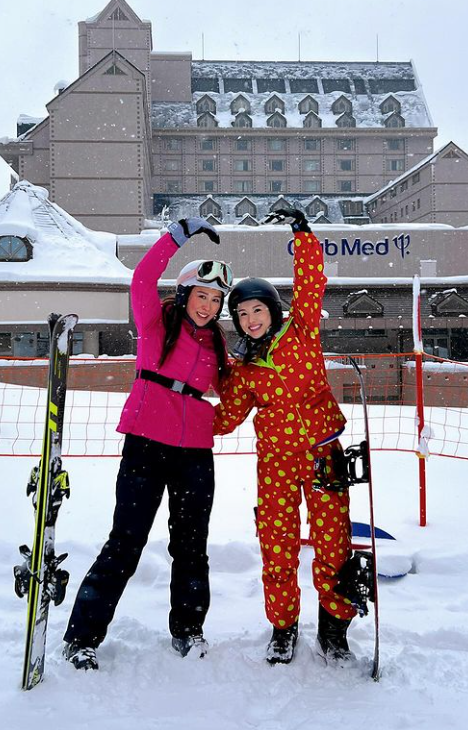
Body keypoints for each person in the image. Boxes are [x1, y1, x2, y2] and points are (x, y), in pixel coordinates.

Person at [63, 217, 233, 670]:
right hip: (145, 445)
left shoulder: (217, 344)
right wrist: (178, 234)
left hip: (195, 453)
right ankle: (82, 637)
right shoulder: (156, 326)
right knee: (126, 541)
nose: (209, 306)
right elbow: (141, 277)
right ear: (185, 295)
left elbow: (240, 393)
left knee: (192, 545)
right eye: (202, 295)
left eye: (216, 300)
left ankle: (189, 631)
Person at [213, 206, 358, 666]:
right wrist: (176, 420)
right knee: (277, 547)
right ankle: (283, 627)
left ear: (273, 311)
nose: (250, 319)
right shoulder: (245, 369)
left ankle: (335, 628)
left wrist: (303, 233)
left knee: (333, 545)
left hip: (321, 455)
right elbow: (227, 417)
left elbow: (312, 280)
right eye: (241, 313)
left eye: (257, 309)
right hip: (274, 464)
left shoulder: (302, 332)